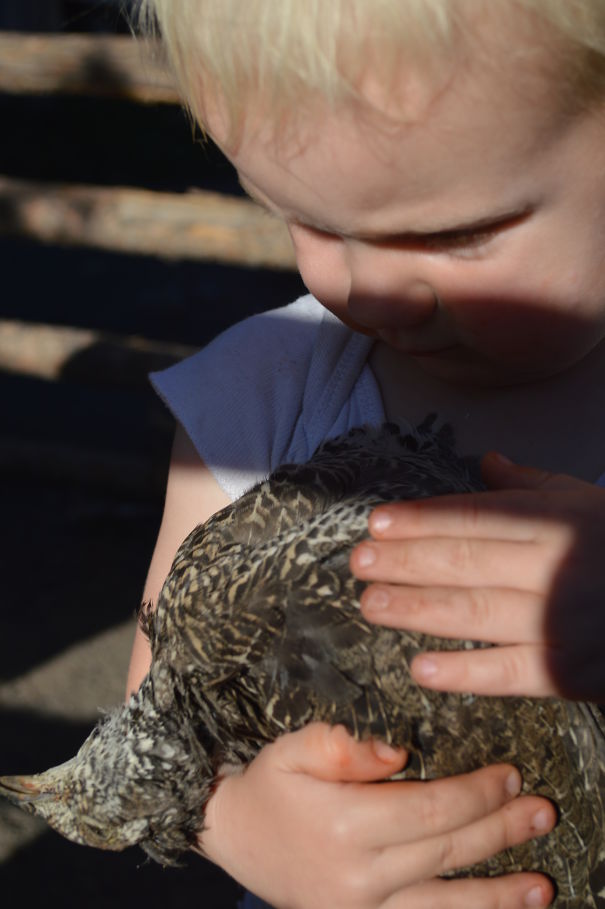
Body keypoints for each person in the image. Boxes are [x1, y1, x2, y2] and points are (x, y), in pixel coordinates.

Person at [126, 1, 605, 906]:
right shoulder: (259, 401)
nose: (373, 290)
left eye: (449, 234)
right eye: (309, 222)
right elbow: (155, 717)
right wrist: (236, 823)